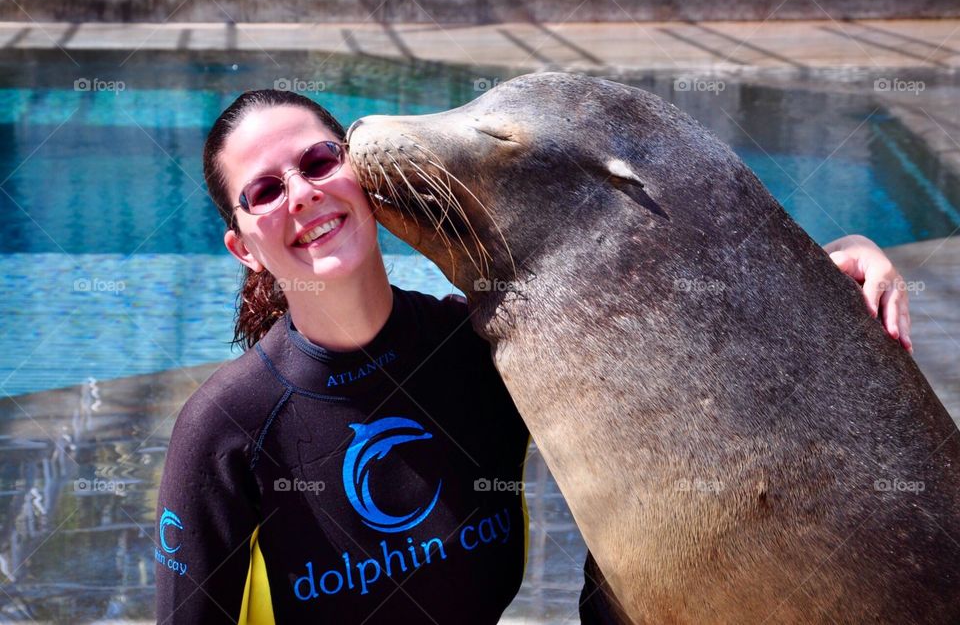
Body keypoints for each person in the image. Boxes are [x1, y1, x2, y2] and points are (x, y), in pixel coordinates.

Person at [154, 89, 914, 624]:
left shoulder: (481, 353)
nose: (302, 194)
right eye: (263, 191)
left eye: (319, 162)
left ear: (356, 177)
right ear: (242, 247)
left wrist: (829, 267)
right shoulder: (225, 430)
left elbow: (670, 334)